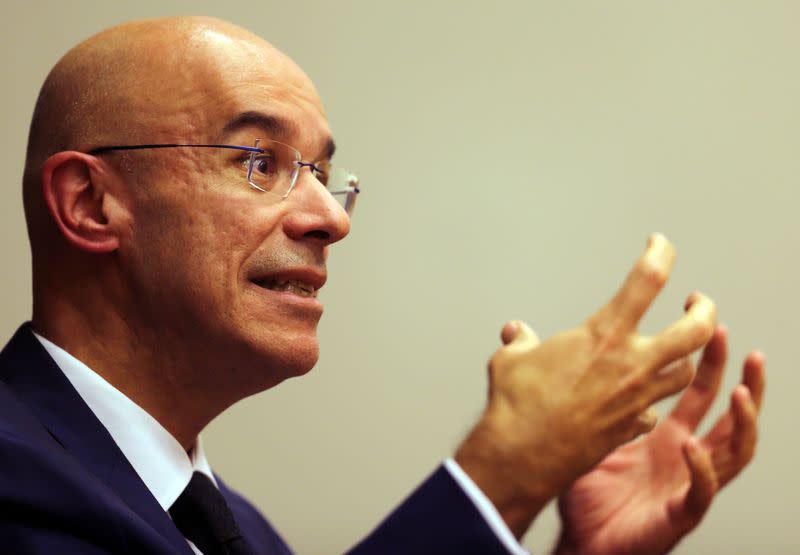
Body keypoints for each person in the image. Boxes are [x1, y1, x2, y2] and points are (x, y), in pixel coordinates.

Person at [0, 15, 765, 555]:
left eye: (327, 175)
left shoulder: (242, 532)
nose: (330, 217)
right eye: (259, 162)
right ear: (91, 203)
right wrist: (498, 478)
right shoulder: (17, 477)